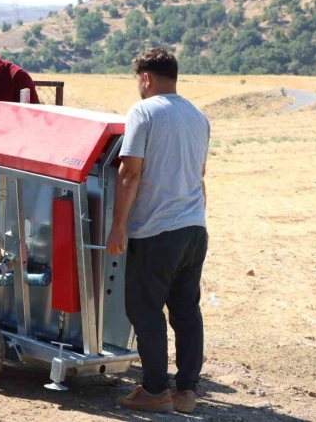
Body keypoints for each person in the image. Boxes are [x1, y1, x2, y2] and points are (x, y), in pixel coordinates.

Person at [107, 48, 210, 414]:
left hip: (155, 230)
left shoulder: (144, 111)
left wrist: (118, 226)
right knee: (185, 309)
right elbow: (200, 175)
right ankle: (186, 392)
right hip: (194, 228)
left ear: (146, 78)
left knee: (144, 308)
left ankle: (154, 390)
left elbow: (129, 172)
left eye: (138, 80)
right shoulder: (198, 115)